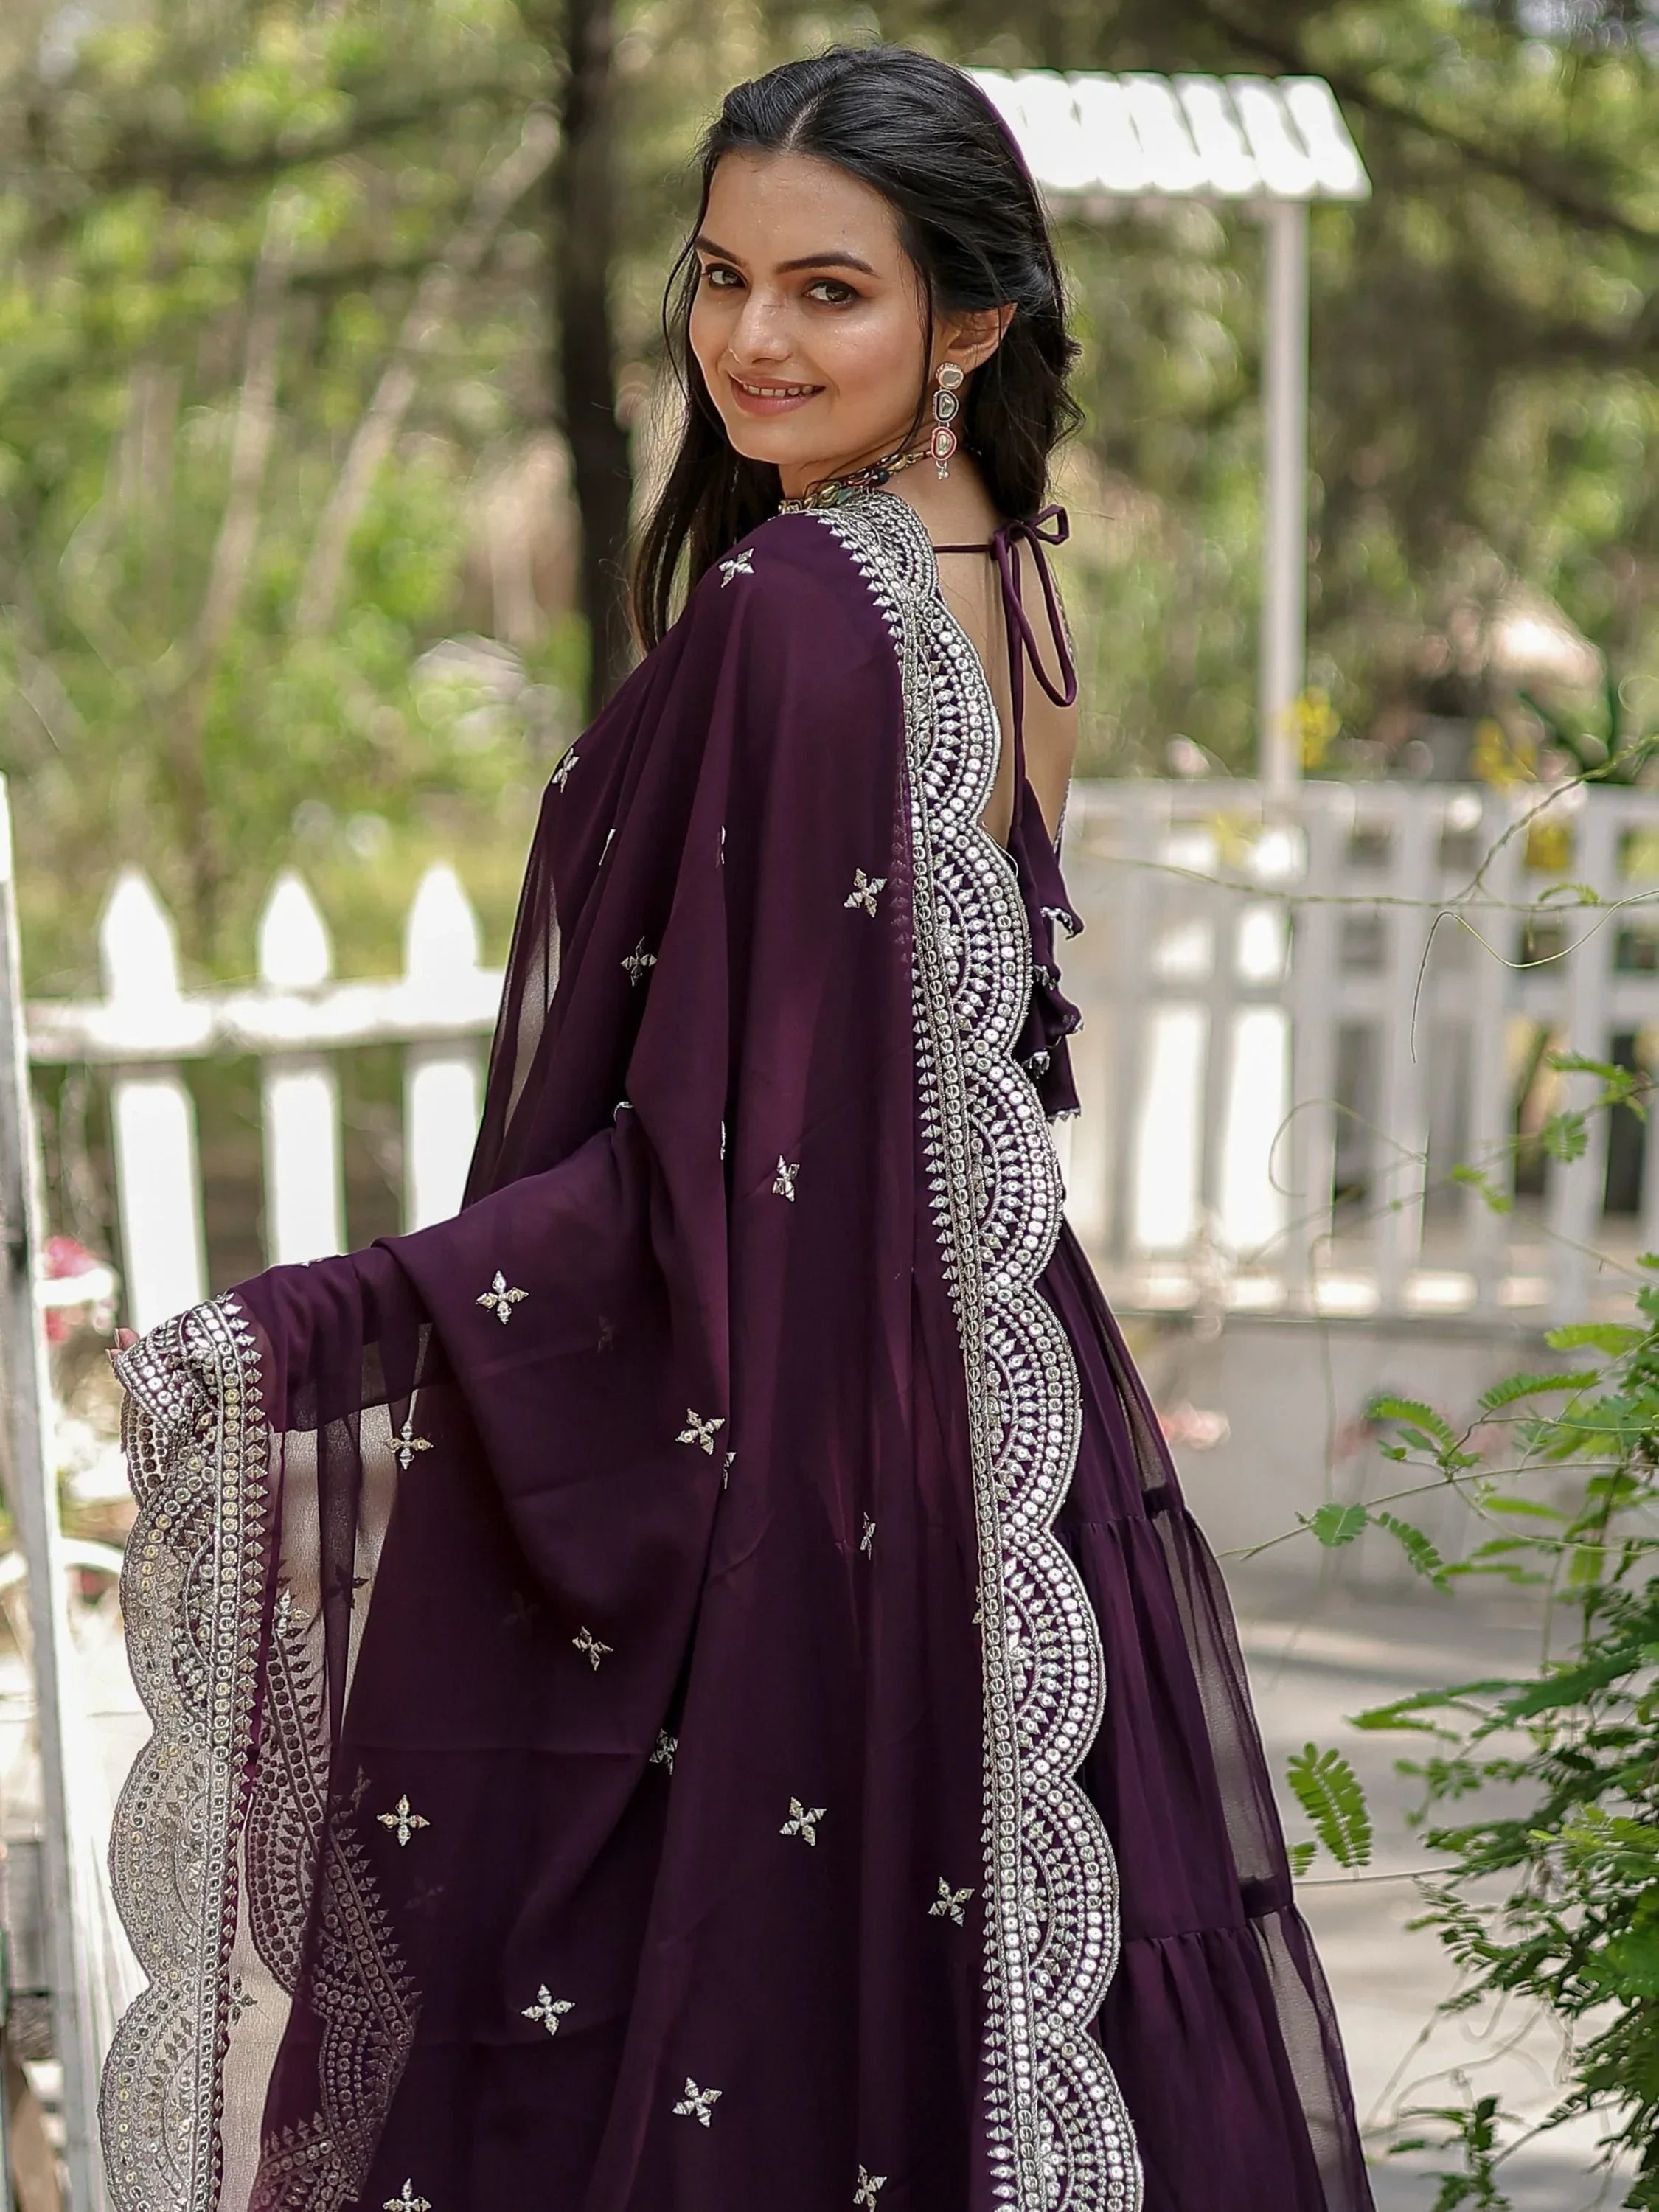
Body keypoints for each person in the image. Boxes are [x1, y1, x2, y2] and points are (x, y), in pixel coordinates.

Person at [102, 46, 1374, 2212]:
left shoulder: (798, 611)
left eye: (828, 290)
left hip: (816, 1452)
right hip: (997, 1435)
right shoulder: (1005, 583)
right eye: (721, 278)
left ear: (968, 321)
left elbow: (714, 1157)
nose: (752, 340)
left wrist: (307, 1331)